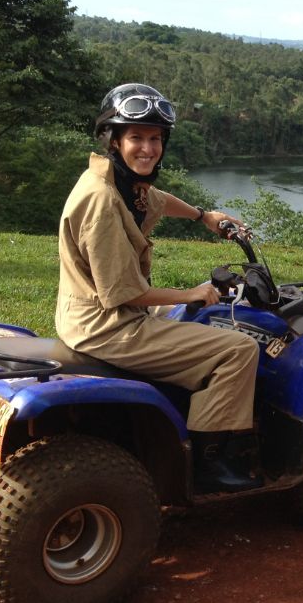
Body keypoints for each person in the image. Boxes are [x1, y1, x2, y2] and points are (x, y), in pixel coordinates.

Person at [56, 82, 264, 492]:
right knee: (239, 349)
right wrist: (191, 293)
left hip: (89, 315)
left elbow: (154, 198)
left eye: (155, 138)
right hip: (109, 326)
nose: (147, 148)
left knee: (195, 317)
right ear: (115, 140)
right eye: (136, 137)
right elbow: (123, 293)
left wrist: (203, 215)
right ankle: (209, 461)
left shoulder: (115, 180)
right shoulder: (102, 202)